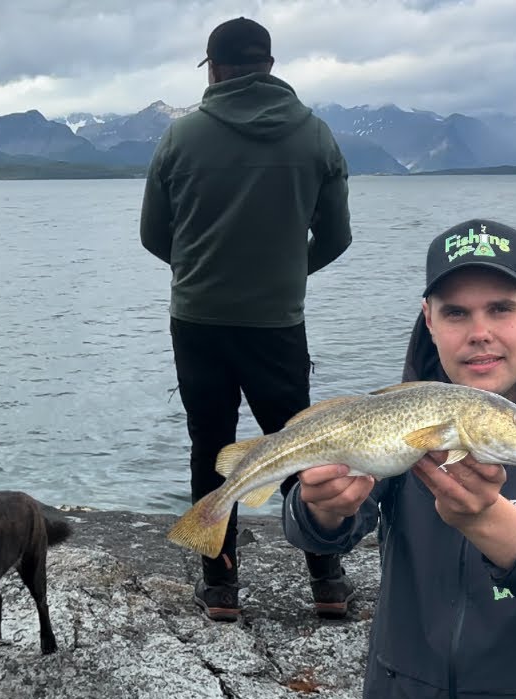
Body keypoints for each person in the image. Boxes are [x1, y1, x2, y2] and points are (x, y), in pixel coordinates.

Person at [284, 219, 516, 699]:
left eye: (501, 308)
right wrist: (320, 510)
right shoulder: (406, 410)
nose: (480, 333)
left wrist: (489, 522)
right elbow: (327, 533)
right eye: (456, 313)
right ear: (429, 320)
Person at [139, 16, 355, 621]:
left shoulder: (181, 138)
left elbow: (154, 235)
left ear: (213, 67)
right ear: (269, 65)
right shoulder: (314, 136)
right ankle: (328, 581)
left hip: (199, 322)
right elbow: (336, 236)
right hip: (277, 326)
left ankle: (220, 589)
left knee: (211, 445)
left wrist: (201, 272)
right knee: (297, 446)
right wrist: (285, 276)